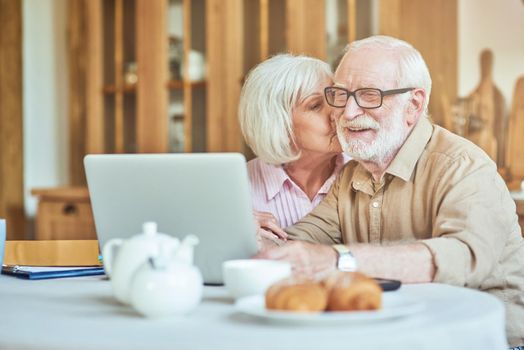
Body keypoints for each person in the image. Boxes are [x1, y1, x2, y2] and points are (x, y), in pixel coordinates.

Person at [256, 36, 524, 347]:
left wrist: (338, 259)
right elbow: (299, 243)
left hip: (488, 340)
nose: (348, 113)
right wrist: (255, 236)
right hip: (406, 336)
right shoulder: (352, 174)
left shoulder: (463, 166)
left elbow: (463, 257)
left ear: (414, 105)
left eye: (369, 96)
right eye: (341, 95)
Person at [238, 54, 350, 238]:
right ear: (278, 125)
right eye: (315, 106)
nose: (337, 113)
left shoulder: (366, 175)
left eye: (335, 98)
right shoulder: (239, 189)